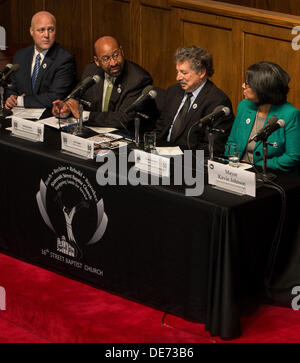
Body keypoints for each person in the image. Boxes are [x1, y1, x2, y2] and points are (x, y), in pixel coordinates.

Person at [52, 36, 156, 135]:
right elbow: (76, 98)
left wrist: (83, 115)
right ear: (97, 61)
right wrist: (66, 108)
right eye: (106, 58)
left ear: (122, 51)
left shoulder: (138, 78)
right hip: (95, 134)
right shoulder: (91, 71)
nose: (113, 62)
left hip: (127, 136)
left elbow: (124, 119)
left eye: (116, 55)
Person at [154, 46, 234, 154]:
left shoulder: (217, 101)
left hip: (190, 161)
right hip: (161, 154)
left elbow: (213, 146)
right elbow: (160, 127)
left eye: (184, 73)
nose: (178, 77)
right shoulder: (173, 91)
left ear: (201, 72)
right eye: (177, 72)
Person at [225, 61, 300, 172]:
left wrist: (258, 165)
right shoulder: (244, 106)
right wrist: (233, 164)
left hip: (270, 174)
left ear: (262, 89)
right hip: (237, 171)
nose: (242, 86)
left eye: (247, 84)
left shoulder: (290, 114)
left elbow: (293, 157)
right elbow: (232, 141)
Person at [5, 11, 76, 109]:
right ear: (31, 31)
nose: (46, 35)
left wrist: (20, 101)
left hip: (47, 118)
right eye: (41, 30)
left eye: (51, 30)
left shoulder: (64, 59)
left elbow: (55, 97)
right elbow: (12, 87)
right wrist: (10, 98)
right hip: (19, 116)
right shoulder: (20, 55)